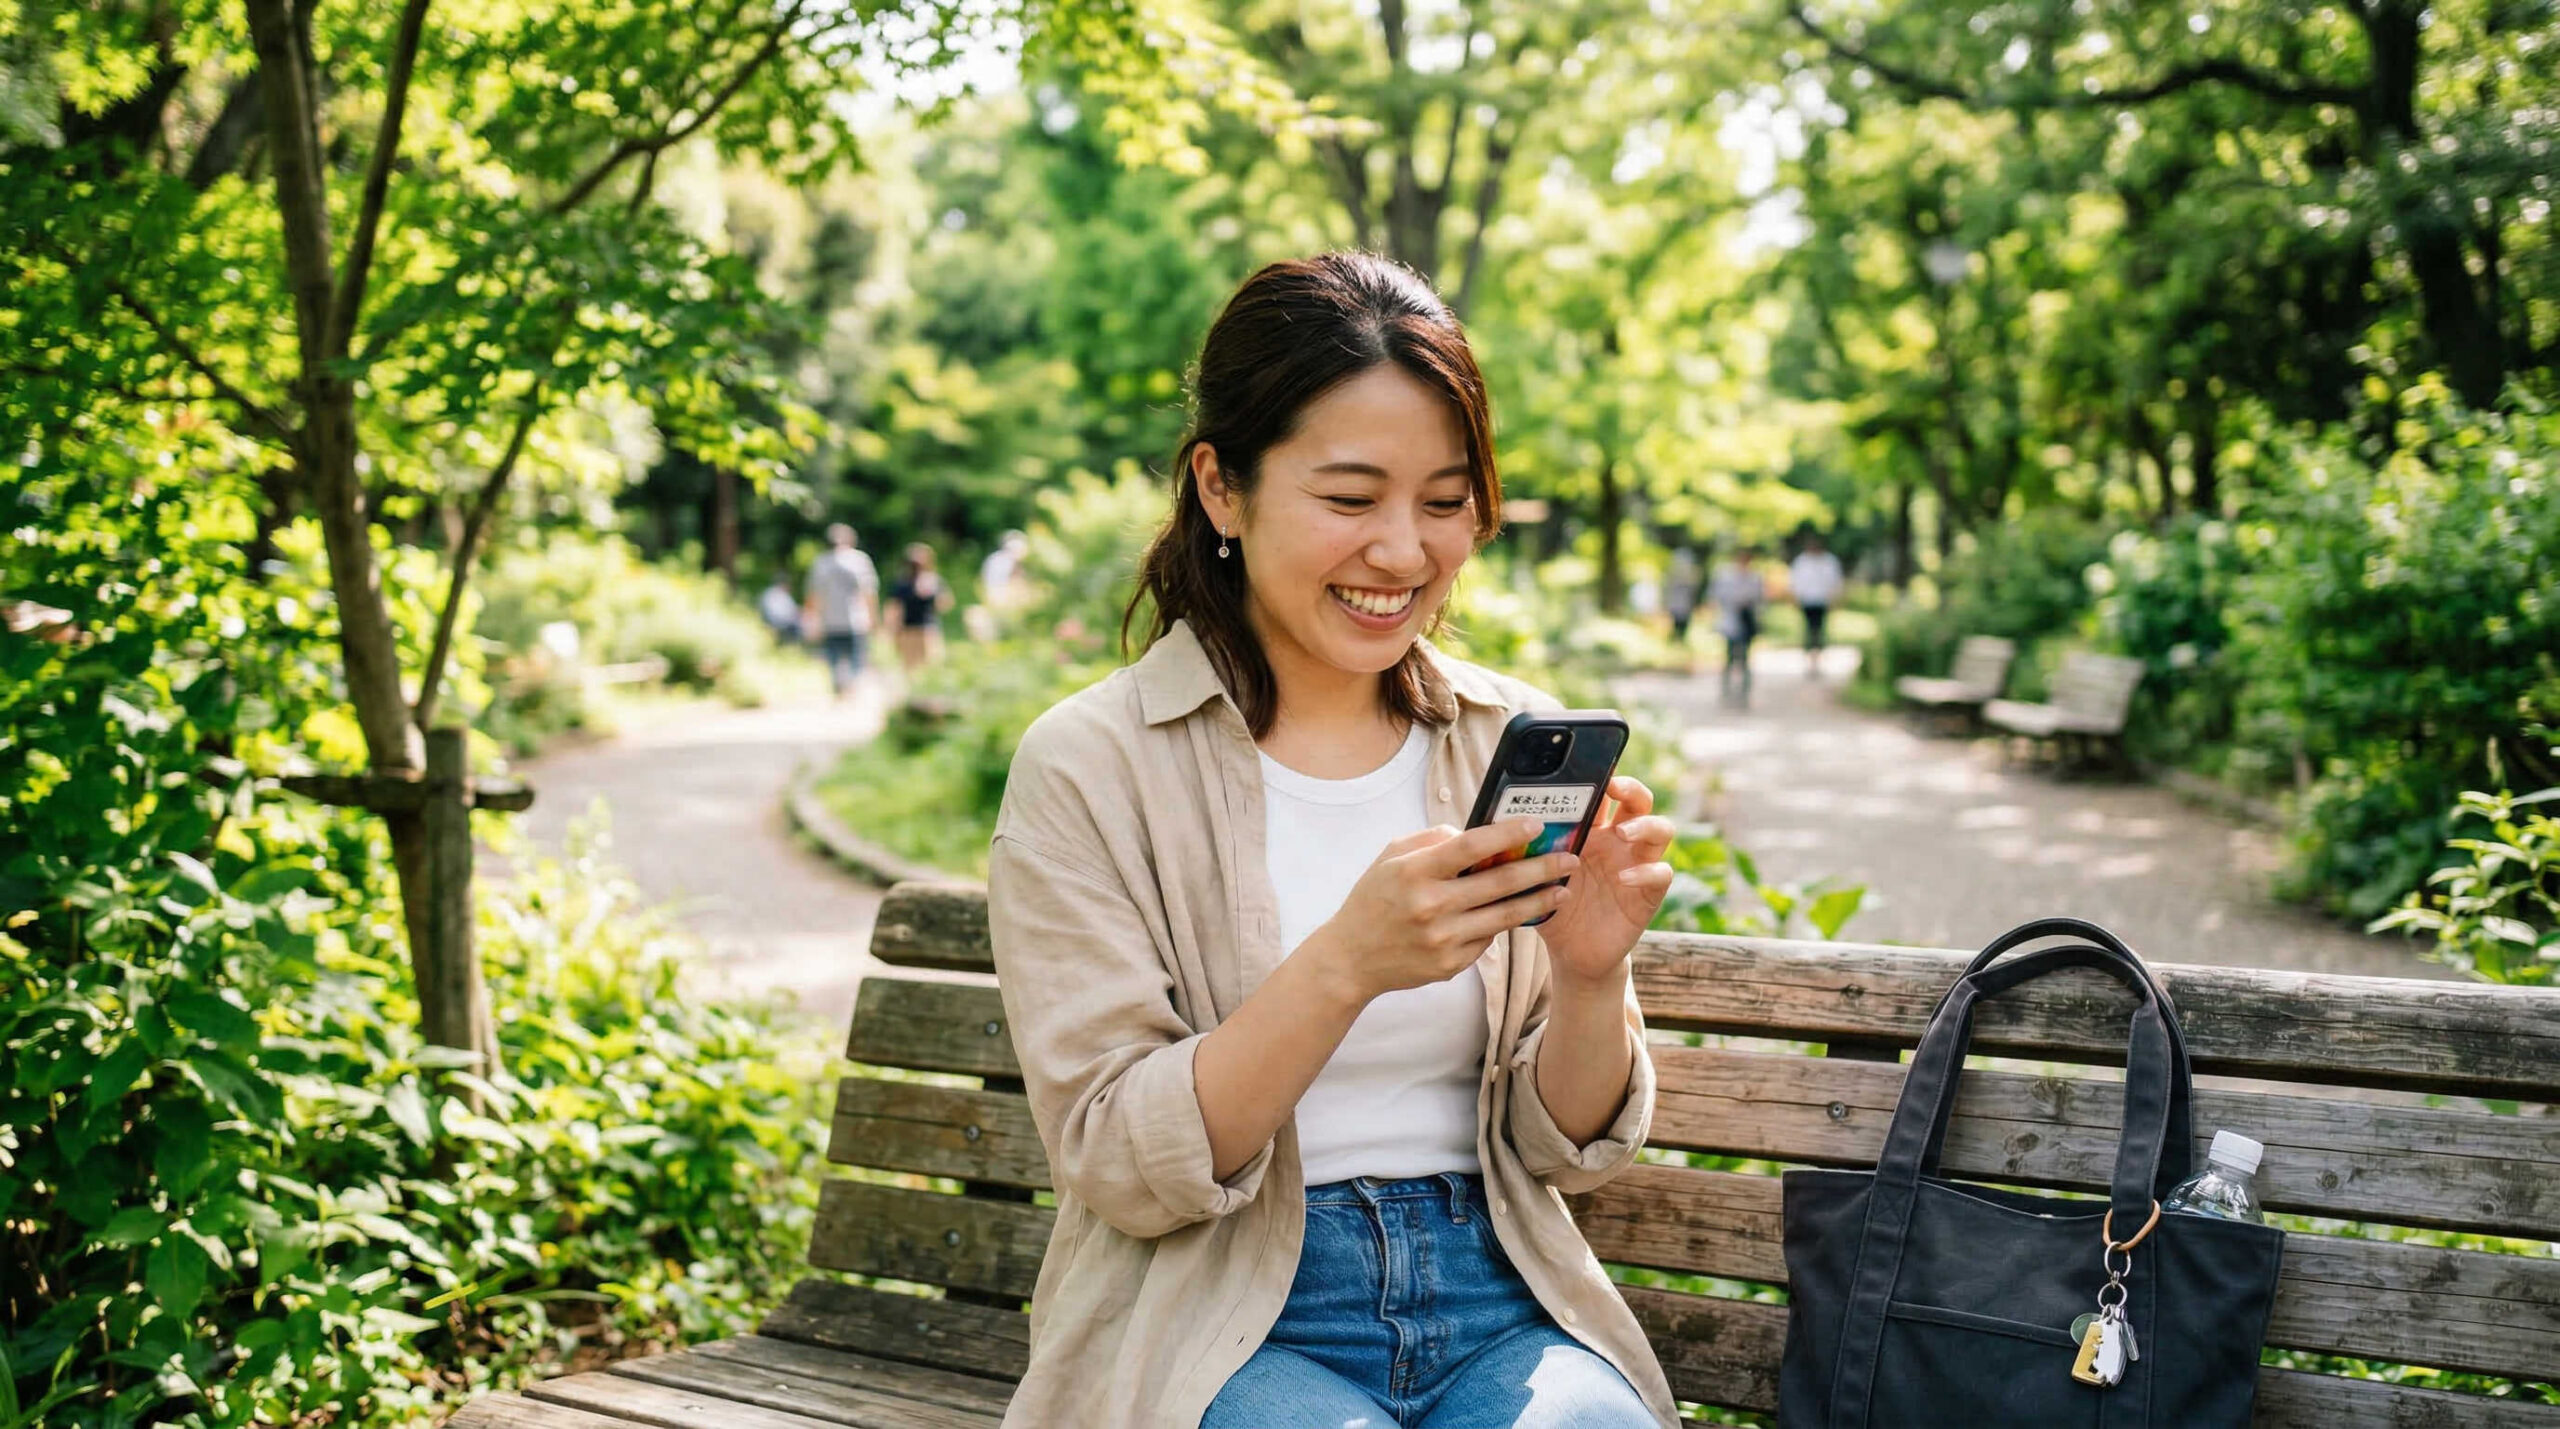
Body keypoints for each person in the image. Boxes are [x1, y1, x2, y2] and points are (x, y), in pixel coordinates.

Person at [987, 254, 1681, 1429]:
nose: (1404, 553)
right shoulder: (1092, 765)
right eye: (1351, 499)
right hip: (1216, 1304)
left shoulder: (1498, 739)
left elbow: (1562, 1153)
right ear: (1221, 487)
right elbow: (1113, 1157)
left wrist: (1588, 970)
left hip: (1500, 1291)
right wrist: (1343, 966)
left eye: (1445, 501)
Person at [802, 523, 879, 699]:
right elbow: (869, 593)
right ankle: (851, 695)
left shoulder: (821, 562)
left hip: (829, 621)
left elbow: (813, 596)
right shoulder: (860, 560)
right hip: (856, 621)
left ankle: (840, 693)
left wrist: (811, 620)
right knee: (856, 662)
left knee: (834, 662)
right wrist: (874, 618)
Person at [1708, 544, 1765, 709]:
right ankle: (1727, 691)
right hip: (1731, 622)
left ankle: (1743, 693)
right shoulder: (1726, 576)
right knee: (1729, 657)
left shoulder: (1754, 578)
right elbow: (1717, 596)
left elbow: (1759, 599)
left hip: (1746, 623)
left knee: (1745, 659)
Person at [886, 542, 954, 671]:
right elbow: (894, 608)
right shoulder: (903, 583)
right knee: (914, 667)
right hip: (910, 629)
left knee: (926, 666)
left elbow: (945, 603)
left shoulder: (932, 580)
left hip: (925, 628)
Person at [1789, 531, 1845, 676]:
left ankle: (1818, 657)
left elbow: (1835, 581)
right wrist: (1795, 598)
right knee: (1809, 629)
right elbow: (1795, 582)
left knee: (1819, 629)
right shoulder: (1802, 561)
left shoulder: (1829, 561)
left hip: (1822, 600)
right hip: (1807, 600)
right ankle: (1810, 658)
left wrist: (1834, 598)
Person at [1663, 544, 1702, 653]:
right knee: (1676, 624)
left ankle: (1680, 644)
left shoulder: (1692, 573)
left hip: (1685, 604)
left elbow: (1694, 589)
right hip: (1676, 604)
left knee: (1684, 625)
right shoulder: (1672, 573)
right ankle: (1676, 644)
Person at [757, 572, 801, 648]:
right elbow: (782, 612)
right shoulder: (776, 594)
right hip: (778, 622)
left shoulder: (774, 593)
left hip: (780, 620)